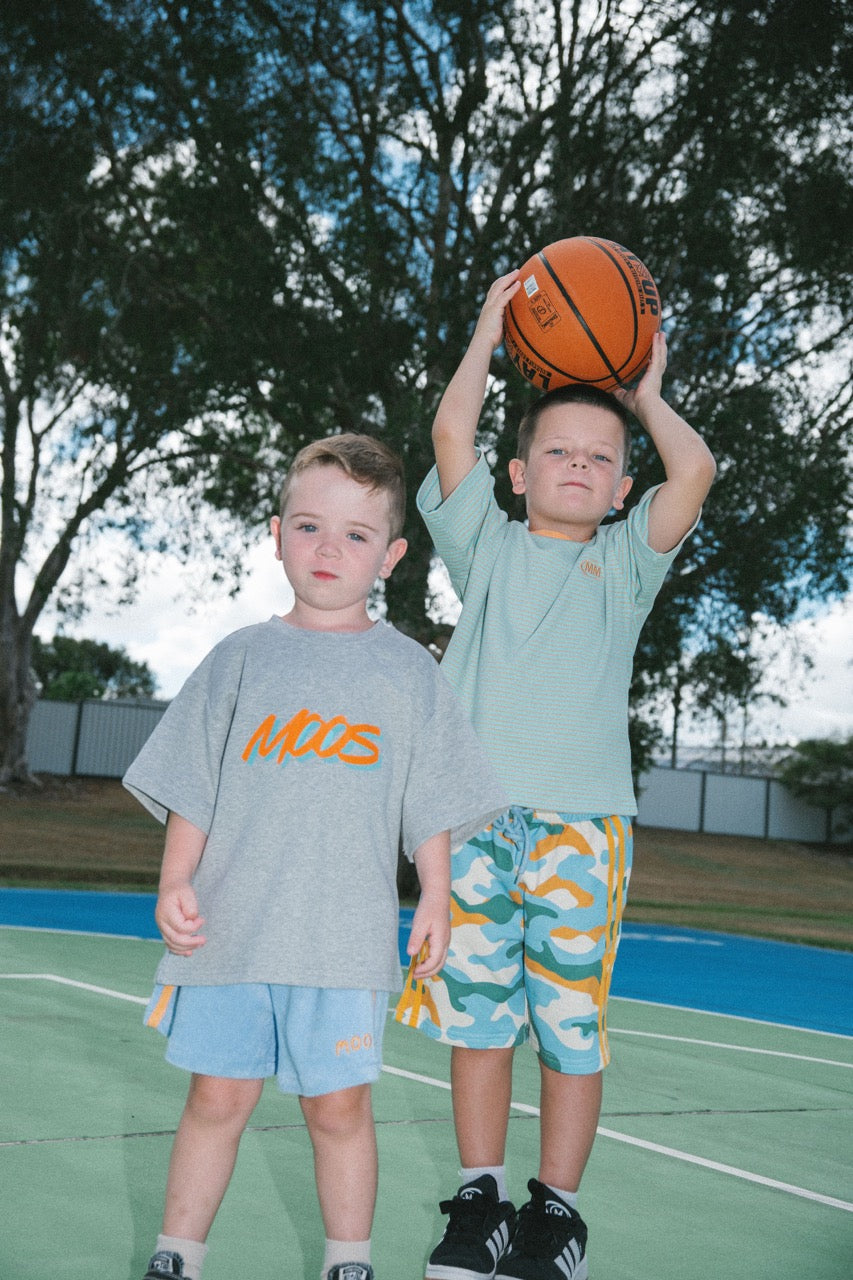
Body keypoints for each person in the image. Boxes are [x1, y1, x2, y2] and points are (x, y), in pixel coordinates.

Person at [123, 433, 507, 1280]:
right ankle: (176, 1256)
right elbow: (195, 783)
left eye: (355, 535)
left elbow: (432, 799)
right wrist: (175, 879)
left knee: (339, 1111)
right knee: (214, 1101)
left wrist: (435, 896)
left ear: (392, 556)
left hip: (341, 941)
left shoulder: (409, 673)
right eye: (308, 526)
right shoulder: (240, 658)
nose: (328, 549)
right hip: (229, 935)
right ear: (275, 533)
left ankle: (347, 1263)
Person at [396, 270, 717, 1280]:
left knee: (569, 1026)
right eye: (556, 453)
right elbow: (450, 436)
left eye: (601, 458)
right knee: (479, 1019)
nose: (579, 465)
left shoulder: (625, 563)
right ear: (520, 474)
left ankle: (555, 1215)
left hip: (583, 830)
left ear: (625, 486)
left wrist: (646, 398)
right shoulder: (484, 547)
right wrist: (489, 330)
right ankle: (481, 1199)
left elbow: (696, 471)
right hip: (475, 821)